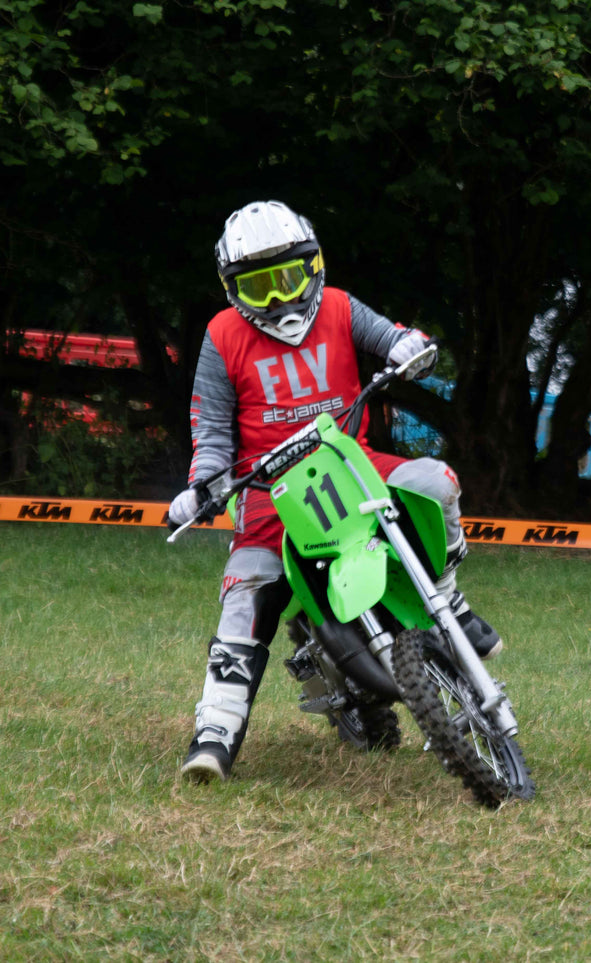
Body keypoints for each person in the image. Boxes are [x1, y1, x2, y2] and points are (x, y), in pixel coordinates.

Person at [169, 199, 501, 783]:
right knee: (245, 592)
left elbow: (394, 337)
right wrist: (203, 486)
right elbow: (211, 430)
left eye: (288, 278)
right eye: (257, 286)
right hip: (270, 495)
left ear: (313, 265)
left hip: (354, 464)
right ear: (231, 289)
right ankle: (214, 734)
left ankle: (451, 603)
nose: (276, 299)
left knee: (436, 482)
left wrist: (409, 348)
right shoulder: (221, 337)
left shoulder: (342, 308)